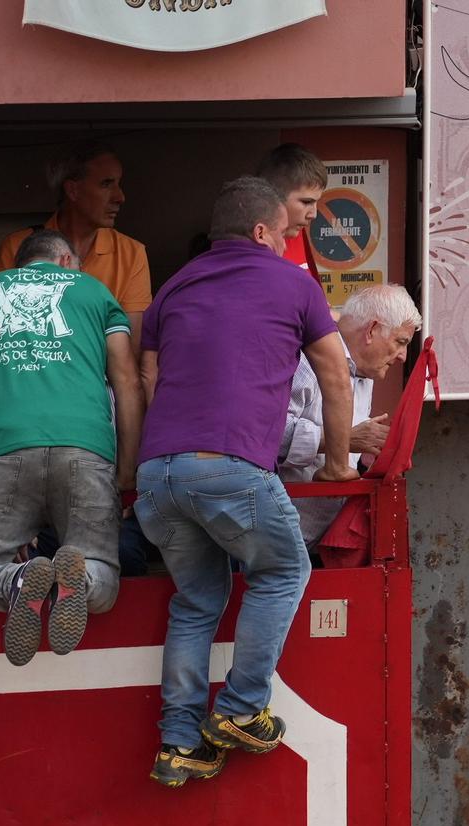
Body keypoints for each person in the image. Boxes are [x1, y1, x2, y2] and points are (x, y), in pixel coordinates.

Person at [135, 176, 356, 787]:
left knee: (197, 600)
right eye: (286, 233)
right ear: (262, 231)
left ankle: (179, 742)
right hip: (229, 466)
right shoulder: (294, 282)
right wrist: (337, 462)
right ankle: (239, 709)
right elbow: (336, 376)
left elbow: (147, 381)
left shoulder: (174, 286)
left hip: (158, 473)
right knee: (283, 570)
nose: (289, 243)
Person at [0, 230, 140, 666]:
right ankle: (77, 582)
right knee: (103, 570)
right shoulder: (96, 293)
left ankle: (18, 580)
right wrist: (126, 473)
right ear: (66, 262)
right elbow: (127, 382)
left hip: (0, 453)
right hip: (85, 450)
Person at [279, 283, 418, 545]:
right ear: (372, 330)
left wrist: (368, 456)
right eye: (401, 342)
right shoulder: (307, 362)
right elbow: (268, 435)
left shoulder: (366, 374)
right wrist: (343, 440)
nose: (402, 356)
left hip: (325, 542)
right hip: (279, 544)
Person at [0, 143, 151, 322]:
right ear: (72, 190)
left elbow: (130, 343)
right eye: (106, 184)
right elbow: (3, 326)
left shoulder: (131, 253)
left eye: (118, 184)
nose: (120, 197)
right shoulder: (16, 246)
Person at [257, 142, 327, 279]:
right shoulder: (252, 250)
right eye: (306, 202)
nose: (314, 214)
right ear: (272, 197)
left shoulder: (295, 232)